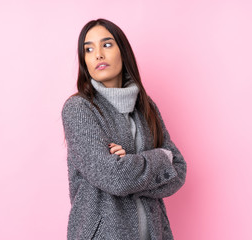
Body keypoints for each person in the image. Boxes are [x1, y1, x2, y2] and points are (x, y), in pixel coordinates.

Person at [61, 18, 187, 240]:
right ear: (85, 61)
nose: (98, 54)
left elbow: (178, 170)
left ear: (123, 51)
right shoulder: (79, 109)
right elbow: (115, 178)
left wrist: (129, 162)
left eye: (107, 45)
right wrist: (161, 157)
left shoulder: (146, 107)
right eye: (88, 50)